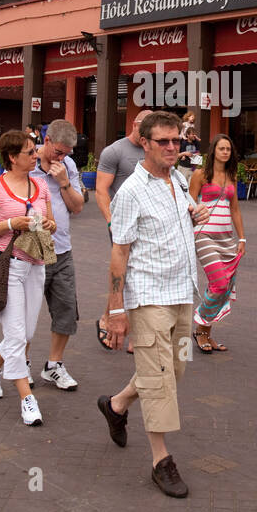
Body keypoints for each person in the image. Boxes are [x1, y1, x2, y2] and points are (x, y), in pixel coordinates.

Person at [96, 111, 209, 498]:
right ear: (144, 143)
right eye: (163, 141)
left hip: (181, 291)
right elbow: (119, 252)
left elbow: (182, 221)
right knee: (160, 376)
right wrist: (115, 310)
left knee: (172, 371)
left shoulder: (178, 180)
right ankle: (161, 461)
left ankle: (117, 404)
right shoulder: (130, 191)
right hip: (148, 297)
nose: (172, 147)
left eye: (177, 141)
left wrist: (197, 214)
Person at [0, 130, 57, 426]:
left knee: (27, 334)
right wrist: (10, 223)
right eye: (30, 152)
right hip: (7, 265)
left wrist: (48, 223)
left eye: (35, 151)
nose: (36, 156)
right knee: (18, 337)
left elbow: (52, 224)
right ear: (12, 157)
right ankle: (26, 399)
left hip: (36, 265)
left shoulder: (41, 185)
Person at [32, 119, 85, 391]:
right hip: (30, 252)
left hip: (62, 251)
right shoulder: (27, 165)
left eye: (66, 153)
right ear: (47, 140)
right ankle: (20, 364)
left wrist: (64, 182)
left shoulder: (68, 167)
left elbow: (77, 207)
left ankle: (54, 365)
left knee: (66, 311)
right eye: (58, 151)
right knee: (25, 313)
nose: (61, 157)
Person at [94, 109, 153, 350]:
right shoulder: (115, 151)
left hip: (148, 224)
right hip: (121, 223)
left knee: (139, 273)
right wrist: (111, 221)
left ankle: (118, 321)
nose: (146, 133)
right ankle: (110, 319)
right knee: (126, 272)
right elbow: (101, 189)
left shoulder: (153, 150)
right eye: (144, 127)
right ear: (134, 124)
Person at [187, 134, 245, 354]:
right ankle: (200, 326)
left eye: (228, 149)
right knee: (219, 283)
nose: (225, 152)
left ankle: (205, 331)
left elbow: (235, 210)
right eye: (221, 148)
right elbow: (189, 205)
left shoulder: (232, 175)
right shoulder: (201, 175)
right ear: (213, 151)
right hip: (204, 235)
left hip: (226, 238)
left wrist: (242, 238)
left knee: (223, 287)